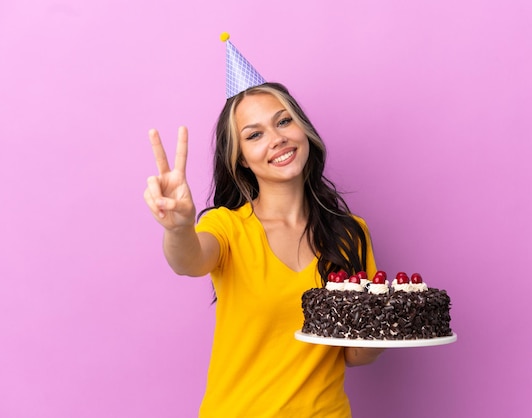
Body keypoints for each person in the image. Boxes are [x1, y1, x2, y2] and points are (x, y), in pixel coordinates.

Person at [144, 36, 384, 417]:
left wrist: (386, 323)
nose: (277, 139)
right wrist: (177, 229)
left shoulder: (351, 232)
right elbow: (188, 260)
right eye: (254, 135)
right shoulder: (228, 227)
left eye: (284, 121)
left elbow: (356, 355)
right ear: (239, 159)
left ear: (302, 129)